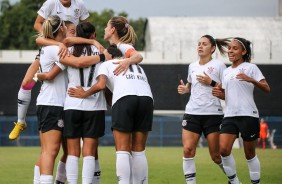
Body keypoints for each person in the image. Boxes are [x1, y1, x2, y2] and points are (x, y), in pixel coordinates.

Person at [68, 44, 154, 184]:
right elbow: (111, 94)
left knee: (122, 150)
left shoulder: (106, 64)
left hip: (125, 99)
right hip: (147, 99)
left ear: (109, 55)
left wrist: (85, 93)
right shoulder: (137, 66)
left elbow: (101, 85)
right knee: (139, 150)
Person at [9, 0, 89, 140]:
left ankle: (80, 124)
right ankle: (21, 121)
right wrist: (56, 41)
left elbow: (86, 29)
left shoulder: (80, 5)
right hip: (52, 48)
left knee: (75, 85)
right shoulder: (51, 3)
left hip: (71, 51)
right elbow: (37, 25)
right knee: (27, 82)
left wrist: (82, 43)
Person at [212, 37, 270, 184]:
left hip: (248, 115)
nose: (230, 51)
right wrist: (221, 94)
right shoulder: (226, 72)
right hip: (230, 116)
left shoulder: (251, 68)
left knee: (249, 154)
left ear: (243, 51)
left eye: (235, 48)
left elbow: (266, 88)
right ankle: (235, 182)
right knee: (223, 151)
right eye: (229, 48)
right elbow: (229, 95)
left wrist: (252, 80)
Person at [177, 35, 230, 184]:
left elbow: (228, 90)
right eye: (199, 44)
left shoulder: (219, 66)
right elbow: (190, 86)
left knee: (216, 156)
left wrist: (211, 82)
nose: (200, 46)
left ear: (212, 48)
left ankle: (233, 179)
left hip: (213, 114)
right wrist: (185, 89)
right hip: (192, 113)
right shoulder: (192, 66)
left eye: (204, 44)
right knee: (187, 150)